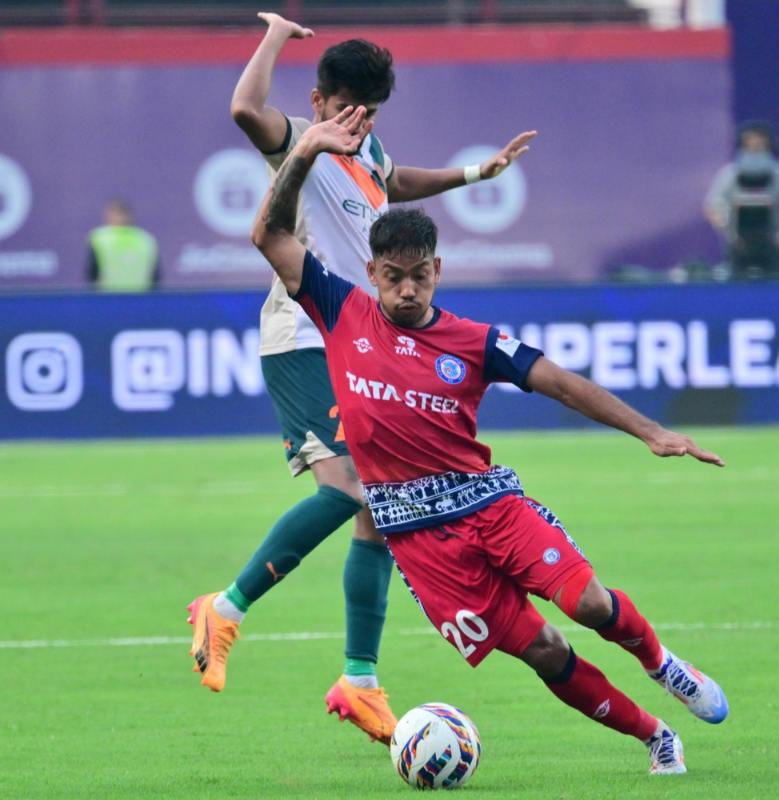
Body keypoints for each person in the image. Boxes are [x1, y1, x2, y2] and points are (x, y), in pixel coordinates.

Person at [249, 106, 730, 775]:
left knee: (589, 603)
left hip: (488, 507)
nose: (408, 288)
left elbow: (560, 383)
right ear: (373, 271)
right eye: (394, 275)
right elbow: (268, 234)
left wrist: (651, 432)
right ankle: (656, 737)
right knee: (545, 651)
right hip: (419, 543)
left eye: (420, 274)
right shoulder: (338, 307)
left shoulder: (475, 342)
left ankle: (662, 664)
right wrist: (302, 153)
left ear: (437, 270)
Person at [188, 12, 536, 747]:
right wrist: (278, 34)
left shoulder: (364, 143)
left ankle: (359, 678)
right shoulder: (300, 139)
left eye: (371, 110)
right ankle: (225, 607)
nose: (359, 120)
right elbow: (244, 109)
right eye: (347, 107)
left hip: (359, 345)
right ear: (317, 100)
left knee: (381, 505)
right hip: (303, 336)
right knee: (347, 487)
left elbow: (393, 178)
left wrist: (475, 173)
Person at [704, 121, 779, 277]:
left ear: (771, 145)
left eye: (760, 144)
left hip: (777, 249)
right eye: (749, 144)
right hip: (738, 249)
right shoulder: (729, 175)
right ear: (741, 146)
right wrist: (727, 230)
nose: (755, 148)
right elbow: (712, 207)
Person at [87, 199, 158, 292]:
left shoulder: (99, 238)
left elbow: (92, 275)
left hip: (108, 301)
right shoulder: (146, 240)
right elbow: (155, 279)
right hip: (140, 301)